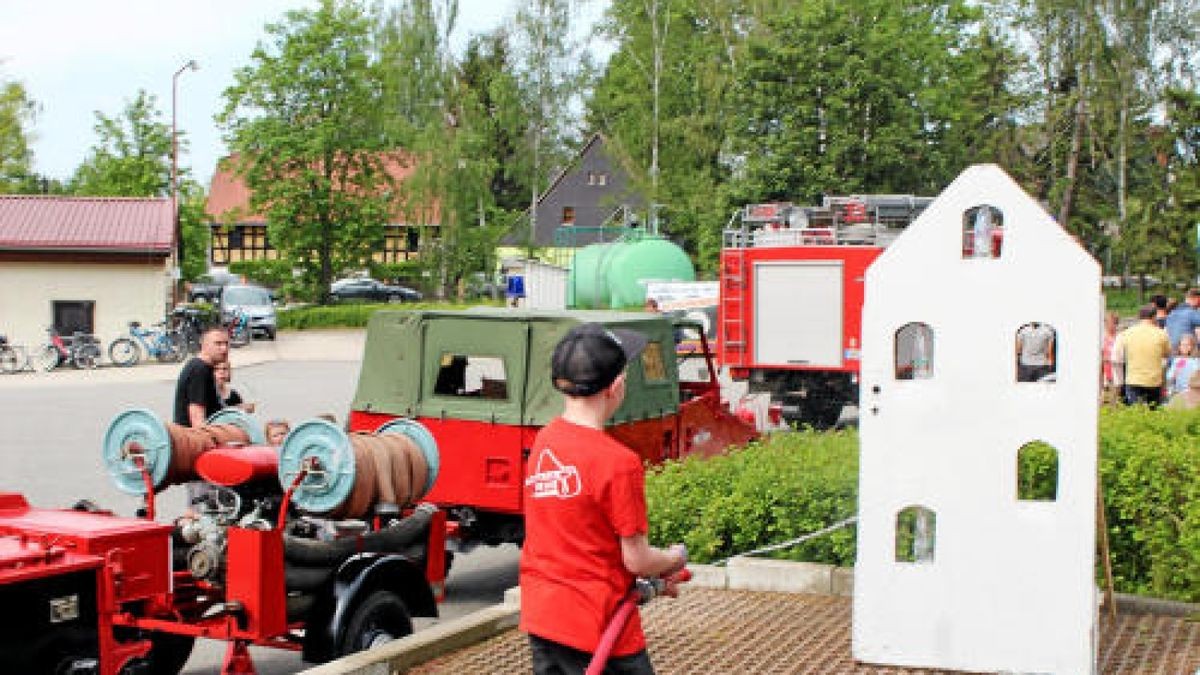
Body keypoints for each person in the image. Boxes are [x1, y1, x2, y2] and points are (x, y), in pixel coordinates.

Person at [520, 323, 687, 674]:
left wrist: (647, 586)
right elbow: (637, 560)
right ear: (615, 387)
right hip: (602, 631)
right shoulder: (617, 462)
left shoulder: (545, 442)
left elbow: (575, 538)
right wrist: (674, 557)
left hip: (546, 619)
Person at [1113, 305, 1171, 406]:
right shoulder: (1161, 334)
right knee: (1154, 411)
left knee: (1135, 412)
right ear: (1154, 317)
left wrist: (1119, 380)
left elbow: (1116, 358)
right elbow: (1167, 354)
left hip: (1133, 379)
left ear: (1139, 317)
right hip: (1154, 381)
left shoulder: (1126, 333)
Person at [173, 327, 230, 427]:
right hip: (193, 438)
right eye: (218, 343)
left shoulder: (205, 367)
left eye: (226, 343)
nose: (224, 349)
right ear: (204, 345)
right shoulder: (199, 369)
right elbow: (197, 418)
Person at [1101, 311, 1121, 405]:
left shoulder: (1120, 337)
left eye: (1112, 323)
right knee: (1103, 400)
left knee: (1114, 400)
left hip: (1116, 373)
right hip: (1105, 373)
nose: (1108, 325)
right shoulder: (1101, 338)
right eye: (1106, 322)